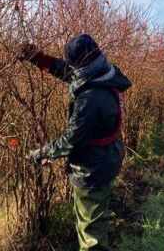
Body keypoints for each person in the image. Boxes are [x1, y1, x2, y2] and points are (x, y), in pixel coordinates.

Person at [17, 34, 132, 251]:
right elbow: (69, 73)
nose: (71, 70)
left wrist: (42, 153)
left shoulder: (89, 98)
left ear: (81, 65)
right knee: (95, 215)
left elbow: (71, 139)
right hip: (107, 158)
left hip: (93, 169)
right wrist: (39, 58)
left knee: (91, 235)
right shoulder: (105, 73)